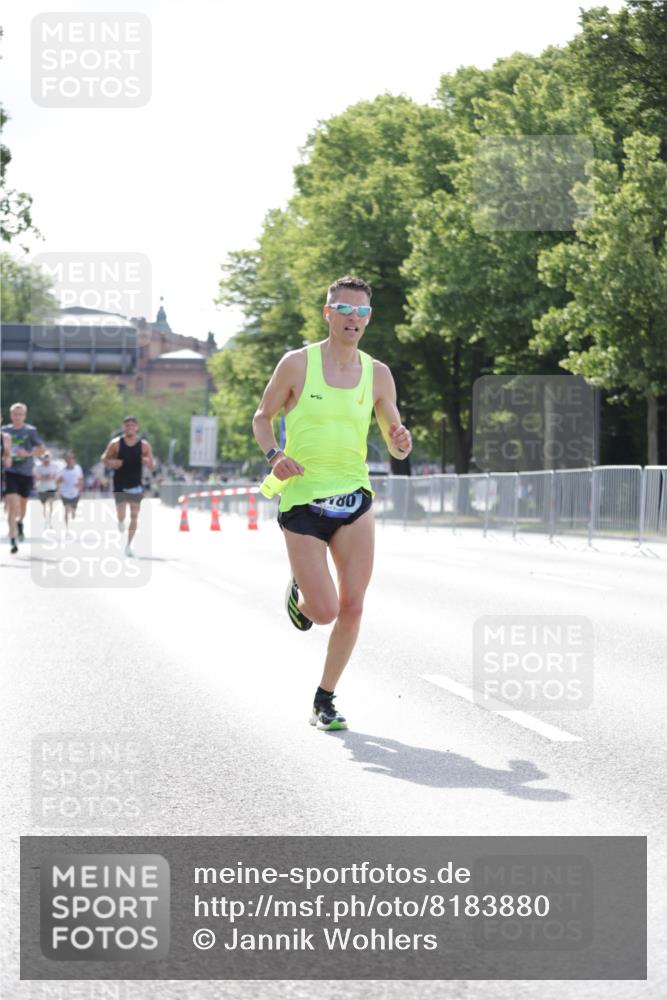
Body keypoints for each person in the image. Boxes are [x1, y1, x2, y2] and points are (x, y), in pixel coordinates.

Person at [253, 275, 412, 731]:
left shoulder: (378, 374)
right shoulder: (296, 364)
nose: (353, 319)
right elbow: (262, 418)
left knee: (353, 607)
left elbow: (395, 440)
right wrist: (275, 455)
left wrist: (400, 441)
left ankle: (324, 699)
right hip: (303, 499)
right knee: (323, 612)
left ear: (368, 318)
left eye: (362, 312)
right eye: (344, 309)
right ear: (328, 313)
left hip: (354, 498)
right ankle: (301, 595)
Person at [101, 416, 155, 557]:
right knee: (121, 514)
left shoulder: (144, 445)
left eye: (132, 425)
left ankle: (129, 545)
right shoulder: (116, 444)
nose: (130, 427)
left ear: (137, 427)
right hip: (120, 483)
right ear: (123, 427)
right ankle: (120, 520)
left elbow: (152, 465)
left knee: (134, 516)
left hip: (136, 484)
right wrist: (112, 463)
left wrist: (148, 462)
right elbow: (104, 458)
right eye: (127, 425)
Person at [2, 402, 45, 554]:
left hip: (26, 472)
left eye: (20, 414)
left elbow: (41, 450)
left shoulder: (30, 431)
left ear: (24, 416)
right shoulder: (4, 431)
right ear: (11, 415)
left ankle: (20, 523)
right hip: (10, 472)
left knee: (23, 504)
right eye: (15, 414)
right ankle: (13, 539)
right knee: (12, 505)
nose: (17, 417)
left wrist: (28, 453)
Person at [57, 451, 84, 528]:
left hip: (75, 493)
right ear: (66, 460)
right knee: (66, 509)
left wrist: (80, 487)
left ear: (73, 459)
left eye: (71, 458)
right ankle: (67, 527)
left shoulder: (78, 468)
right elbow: (57, 481)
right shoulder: (62, 470)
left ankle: (73, 511)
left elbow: (81, 479)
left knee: (73, 509)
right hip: (65, 493)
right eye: (68, 458)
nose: (69, 460)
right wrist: (60, 481)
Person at [35, 452, 59, 527]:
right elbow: (36, 477)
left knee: (50, 504)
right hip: (42, 489)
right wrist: (45, 477)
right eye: (45, 458)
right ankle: (45, 520)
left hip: (51, 488)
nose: (46, 460)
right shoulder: (39, 467)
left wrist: (51, 477)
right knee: (44, 506)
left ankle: (50, 520)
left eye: (47, 458)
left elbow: (57, 476)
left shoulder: (54, 466)